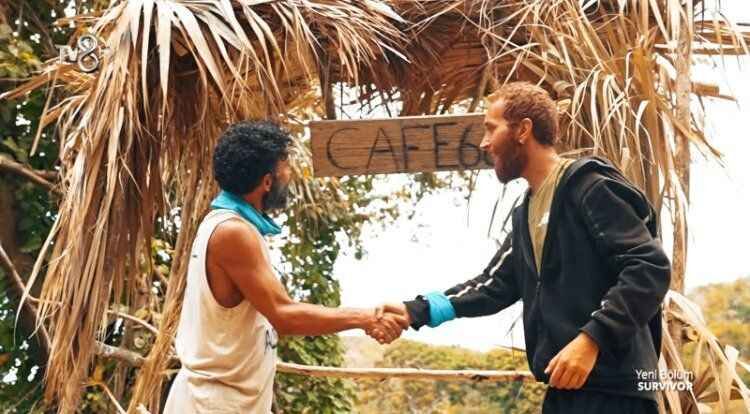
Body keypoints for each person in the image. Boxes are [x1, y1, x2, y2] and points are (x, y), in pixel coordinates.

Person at [374, 82, 671, 413]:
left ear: (523, 130)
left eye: (491, 128)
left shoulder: (589, 187)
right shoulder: (525, 212)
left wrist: (592, 340)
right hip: (564, 388)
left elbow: (649, 267)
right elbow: (493, 286)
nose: (484, 142)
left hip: (615, 392)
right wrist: (415, 310)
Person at [164, 121, 406, 413]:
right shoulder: (233, 232)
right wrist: (365, 317)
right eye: (286, 167)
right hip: (213, 404)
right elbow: (284, 315)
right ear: (267, 181)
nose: (289, 175)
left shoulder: (231, 225)